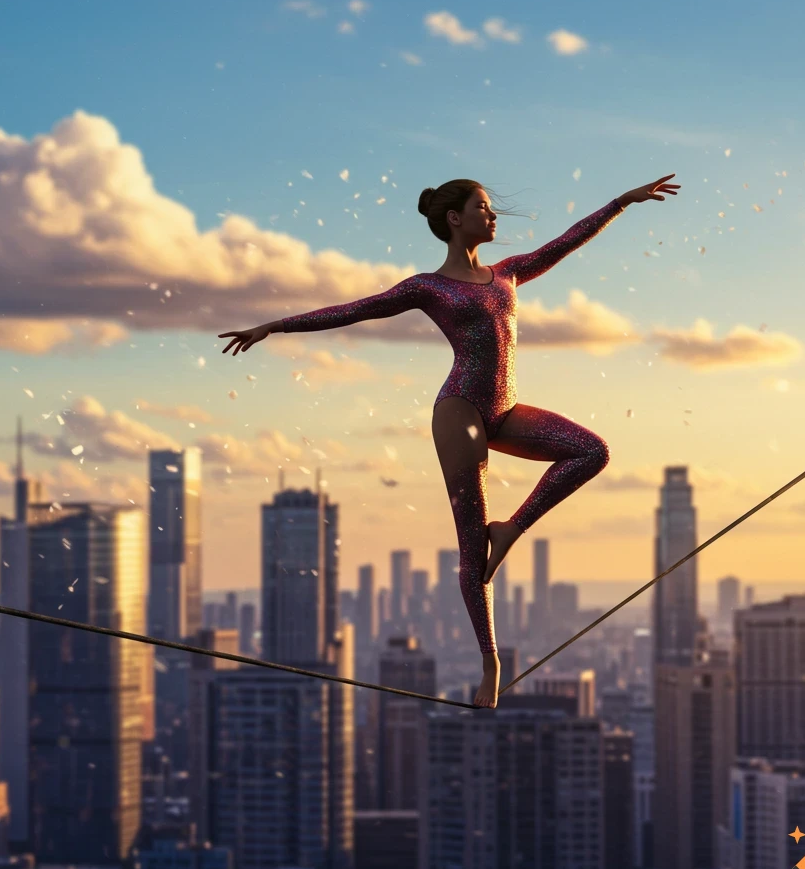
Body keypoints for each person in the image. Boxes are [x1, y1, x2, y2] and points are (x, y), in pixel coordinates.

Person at [219, 174, 680, 706]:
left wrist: (622, 201)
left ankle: (512, 528)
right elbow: (354, 310)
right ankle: (491, 664)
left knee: (591, 451)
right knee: (470, 548)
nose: (493, 216)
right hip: (459, 408)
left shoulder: (507, 273)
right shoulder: (428, 287)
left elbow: (568, 240)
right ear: (454, 219)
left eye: (491, 207)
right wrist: (273, 326)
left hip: (503, 409)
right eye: (482, 207)